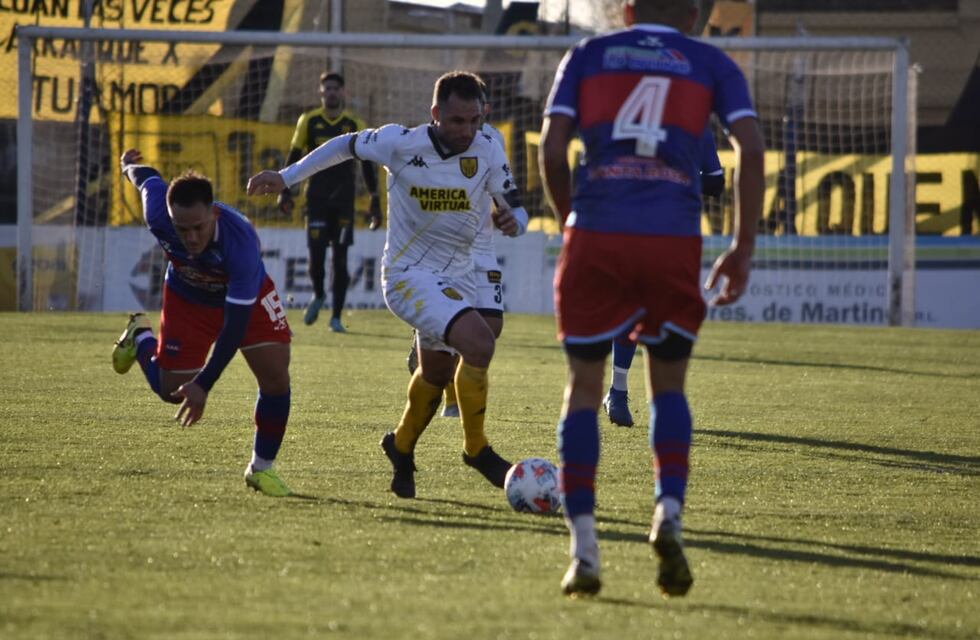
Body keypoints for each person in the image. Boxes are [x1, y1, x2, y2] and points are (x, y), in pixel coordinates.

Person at [539, 0, 765, 597]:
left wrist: (572, 220)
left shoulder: (588, 54)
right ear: (694, 13)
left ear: (628, 8)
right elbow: (751, 147)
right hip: (671, 238)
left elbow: (551, 146)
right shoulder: (711, 62)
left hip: (597, 230)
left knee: (582, 393)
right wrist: (742, 247)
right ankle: (667, 510)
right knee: (668, 387)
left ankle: (584, 550)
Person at [248, 71, 530, 499]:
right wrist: (287, 178)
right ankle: (478, 450)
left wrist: (515, 221)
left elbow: (514, 202)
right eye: (457, 121)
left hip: (459, 274)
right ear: (435, 114)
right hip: (407, 276)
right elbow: (344, 145)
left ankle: (400, 447)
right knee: (479, 342)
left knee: (438, 370)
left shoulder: (488, 145)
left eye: (474, 120)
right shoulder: (400, 142)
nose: (467, 131)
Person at [111, 149, 294, 498]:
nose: (191, 238)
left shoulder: (240, 243)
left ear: (213, 213)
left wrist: (204, 384)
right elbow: (146, 179)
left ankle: (261, 469)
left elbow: (235, 327)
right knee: (170, 392)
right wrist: (127, 166)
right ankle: (141, 337)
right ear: (168, 217)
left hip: (246, 298)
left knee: (275, 374)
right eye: (182, 230)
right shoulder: (157, 214)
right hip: (188, 296)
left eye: (198, 228)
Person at [603, 128, 725, 427]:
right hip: (632, 229)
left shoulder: (698, 129)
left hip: (678, 235)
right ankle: (619, 391)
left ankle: (662, 402)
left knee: (669, 318)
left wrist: (674, 176)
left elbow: (717, 181)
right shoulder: (635, 122)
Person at [405, 97, 511, 420]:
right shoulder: (429, 141)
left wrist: (506, 209)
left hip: (483, 243)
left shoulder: (494, 139)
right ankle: (453, 403)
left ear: (485, 109)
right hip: (450, 244)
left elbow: (501, 184)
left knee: (491, 326)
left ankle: (432, 347)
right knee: (462, 326)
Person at [280, 71, 382, 332]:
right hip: (315, 198)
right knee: (315, 257)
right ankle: (318, 293)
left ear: (343, 92)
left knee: (340, 259)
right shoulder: (309, 121)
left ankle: (336, 317)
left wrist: (374, 198)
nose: (332, 93)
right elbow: (294, 157)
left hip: (344, 201)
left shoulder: (354, 122)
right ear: (321, 92)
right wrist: (285, 191)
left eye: (336, 88)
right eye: (327, 89)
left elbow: (367, 164)